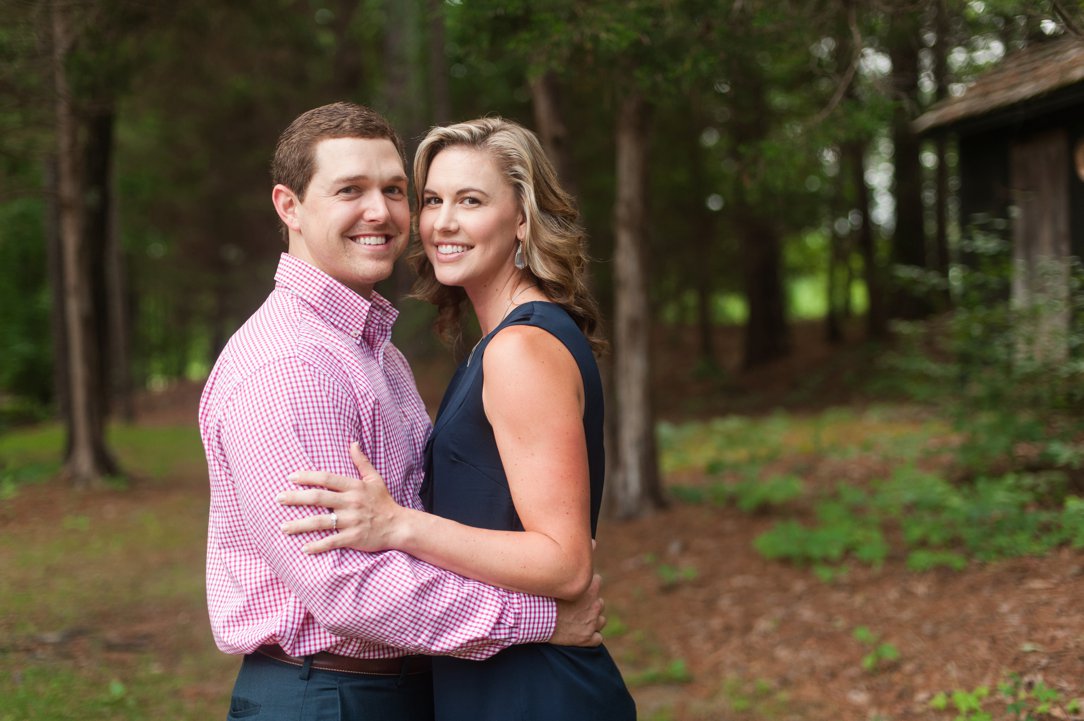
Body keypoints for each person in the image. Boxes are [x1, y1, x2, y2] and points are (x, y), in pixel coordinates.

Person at [198, 103, 605, 721]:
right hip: (330, 698)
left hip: (418, 688)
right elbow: (339, 586)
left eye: (393, 190)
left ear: (522, 219)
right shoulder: (289, 367)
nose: (382, 212)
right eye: (350, 190)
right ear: (289, 207)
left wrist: (402, 527)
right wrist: (536, 619)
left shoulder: (378, 354)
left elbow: (429, 522)